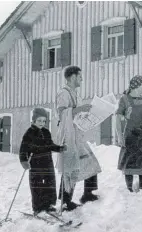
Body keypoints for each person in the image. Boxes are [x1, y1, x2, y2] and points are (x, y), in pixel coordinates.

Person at [55, 66, 102, 211]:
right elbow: (62, 114)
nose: (81, 79)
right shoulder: (63, 93)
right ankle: (65, 201)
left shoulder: (76, 94)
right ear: (73, 77)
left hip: (78, 135)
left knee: (91, 162)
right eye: (79, 76)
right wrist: (81, 110)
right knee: (70, 168)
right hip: (68, 137)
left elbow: (76, 115)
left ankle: (88, 193)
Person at [19, 108, 67, 215]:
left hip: (47, 162)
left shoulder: (46, 132)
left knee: (50, 183)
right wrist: (24, 161)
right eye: (39, 120)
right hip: (35, 163)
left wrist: (59, 148)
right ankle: (37, 207)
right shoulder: (29, 133)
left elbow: (50, 145)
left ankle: (48, 205)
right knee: (37, 185)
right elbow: (23, 148)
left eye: (44, 121)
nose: (42, 123)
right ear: (34, 120)